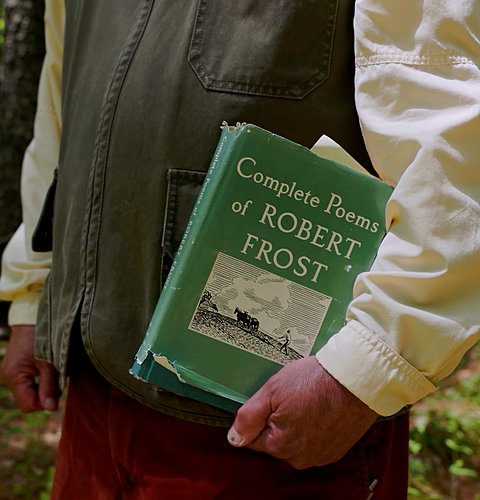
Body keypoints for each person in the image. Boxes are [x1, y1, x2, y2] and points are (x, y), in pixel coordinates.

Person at [0, 0, 478, 498]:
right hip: (93, 386)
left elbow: (453, 141)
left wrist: (363, 370)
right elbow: (64, 100)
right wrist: (35, 292)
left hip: (271, 421)